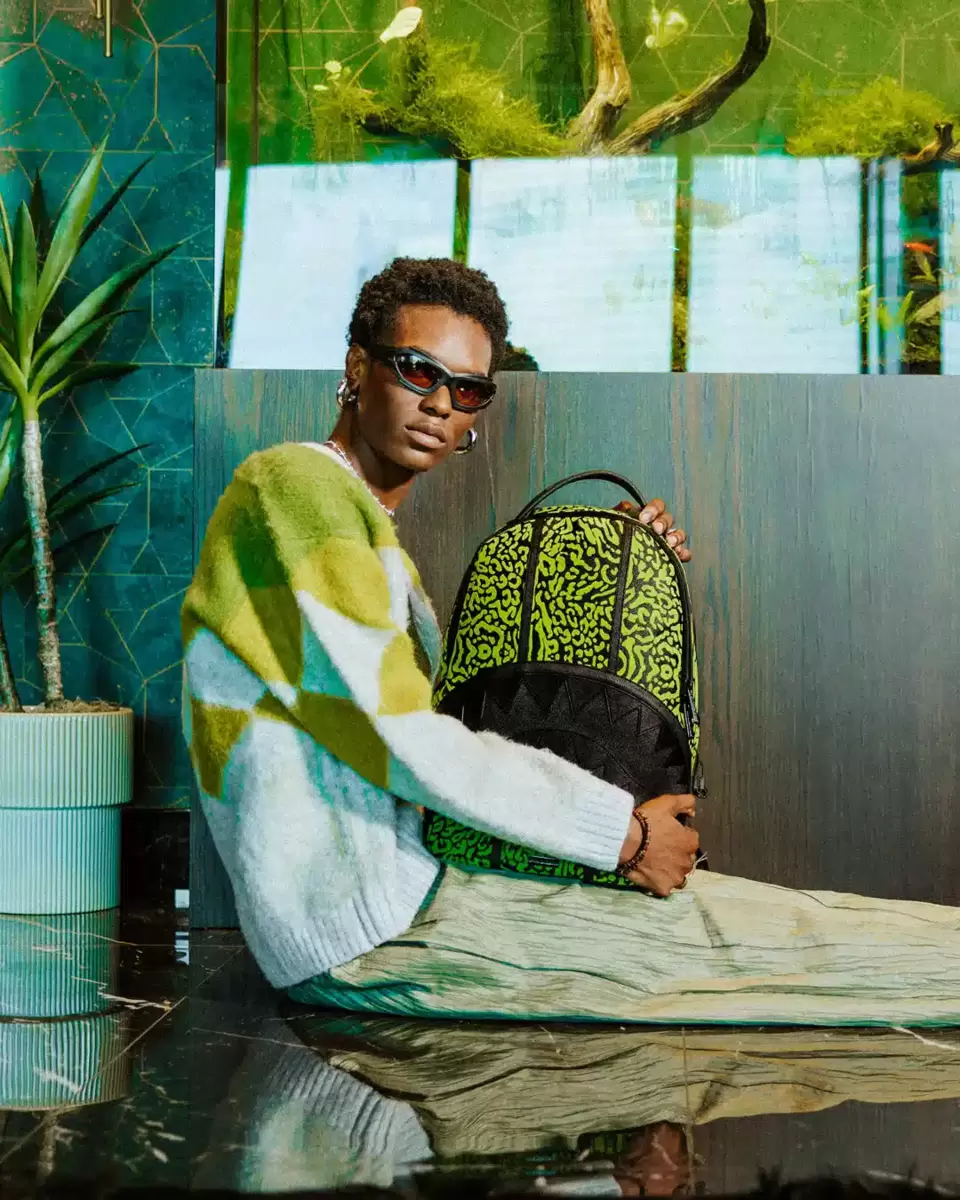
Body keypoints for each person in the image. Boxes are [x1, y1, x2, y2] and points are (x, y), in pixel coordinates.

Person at [182, 258, 960, 1026]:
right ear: (358, 367)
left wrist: (612, 562)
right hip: (376, 929)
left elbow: (420, 723)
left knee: (785, 931)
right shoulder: (294, 489)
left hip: (403, 894)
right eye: (419, 371)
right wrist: (624, 837)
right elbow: (407, 739)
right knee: (810, 951)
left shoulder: (350, 522)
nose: (441, 404)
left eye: (468, 389)